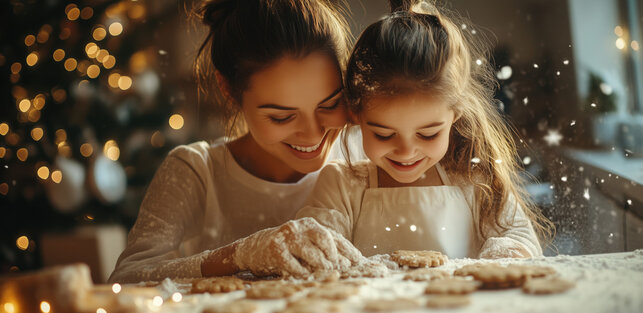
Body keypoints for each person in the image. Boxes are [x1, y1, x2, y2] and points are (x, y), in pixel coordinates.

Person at [109, 0, 365, 283]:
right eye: (282, 117)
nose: (313, 133)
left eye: (330, 105)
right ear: (228, 89)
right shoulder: (198, 172)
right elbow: (125, 278)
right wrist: (239, 255)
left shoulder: (365, 156)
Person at [295, 0, 555, 259]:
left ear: (455, 114)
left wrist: (508, 254)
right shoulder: (341, 186)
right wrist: (316, 249)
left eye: (428, 134)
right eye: (383, 134)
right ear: (356, 116)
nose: (406, 152)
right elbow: (315, 246)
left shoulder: (476, 180)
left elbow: (519, 237)